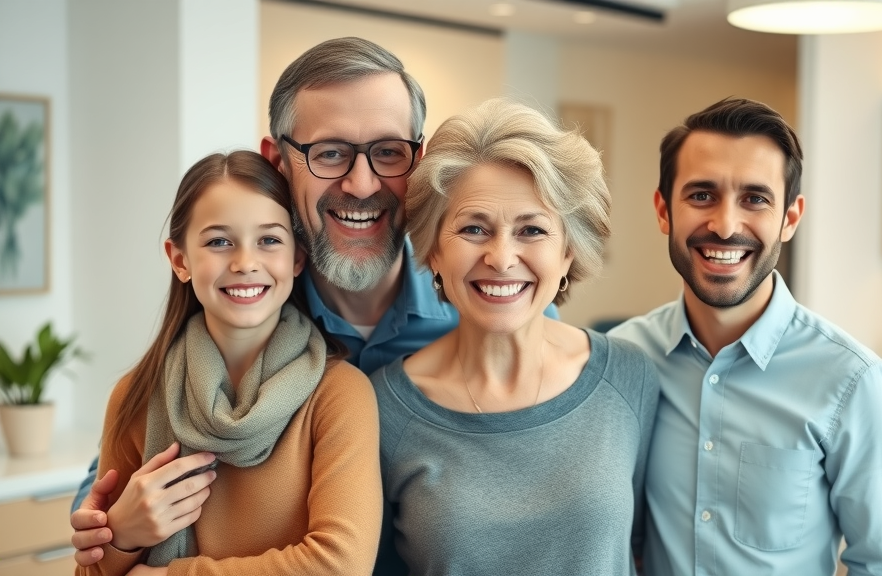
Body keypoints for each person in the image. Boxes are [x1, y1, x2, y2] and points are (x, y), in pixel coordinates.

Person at [71, 37, 555, 568]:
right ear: (278, 162)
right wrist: (109, 532)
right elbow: (120, 487)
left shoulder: (496, 307)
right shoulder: (247, 305)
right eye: (330, 154)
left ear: (419, 160)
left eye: (389, 152)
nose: (362, 183)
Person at [608, 98, 882, 576]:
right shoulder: (623, 360)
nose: (726, 226)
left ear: (790, 219)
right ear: (664, 210)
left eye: (755, 198)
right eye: (702, 195)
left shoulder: (852, 380)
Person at [370, 97, 660, 576]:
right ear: (434, 251)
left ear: (569, 251)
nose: (502, 258)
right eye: (474, 228)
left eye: (531, 230)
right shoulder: (383, 408)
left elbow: (651, 549)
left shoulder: (629, 379)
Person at [77, 150, 382, 576]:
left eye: (269, 240)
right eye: (219, 241)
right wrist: (123, 536)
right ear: (180, 260)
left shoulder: (340, 395)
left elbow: (341, 566)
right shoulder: (135, 396)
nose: (244, 263)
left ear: (297, 259)